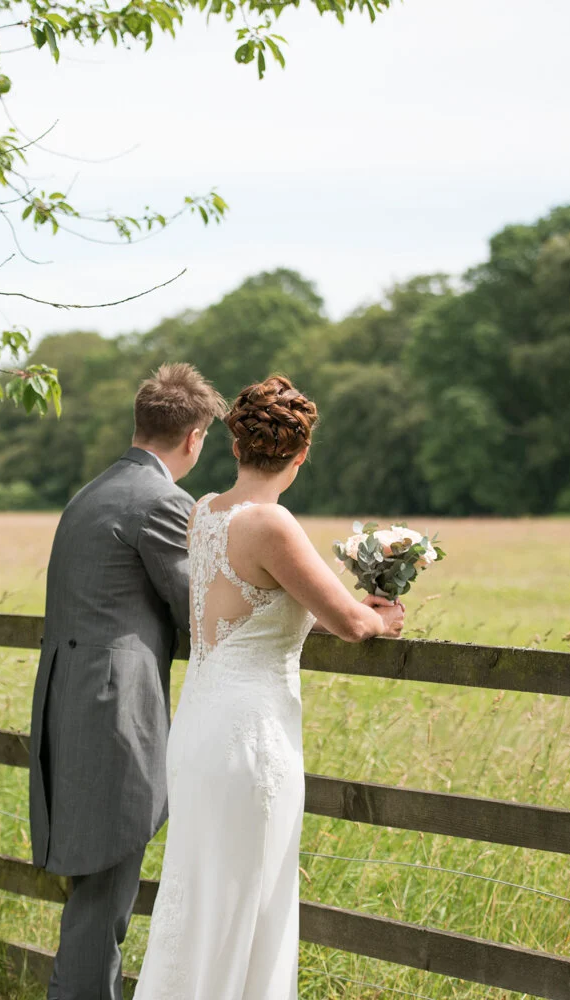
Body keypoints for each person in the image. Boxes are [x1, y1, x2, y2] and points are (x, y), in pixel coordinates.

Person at [133, 375, 405, 1000]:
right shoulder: (272, 524)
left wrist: (341, 606)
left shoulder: (205, 510)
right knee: (250, 900)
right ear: (301, 454)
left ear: (236, 447)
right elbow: (350, 624)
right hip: (250, 736)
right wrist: (381, 618)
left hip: (200, 725)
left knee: (201, 895)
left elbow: (263, 601)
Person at [29, 362, 227, 1000]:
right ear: (194, 438)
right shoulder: (163, 502)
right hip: (113, 714)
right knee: (103, 898)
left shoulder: (91, 492)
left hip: (68, 702)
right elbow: (199, 612)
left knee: (95, 893)